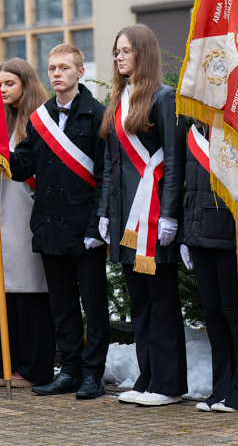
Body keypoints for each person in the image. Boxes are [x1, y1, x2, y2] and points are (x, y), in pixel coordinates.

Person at [9, 44, 109, 400]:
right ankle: (69, 369)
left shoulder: (98, 115)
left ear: (80, 72)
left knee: (94, 306)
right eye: (52, 68)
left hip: (85, 230)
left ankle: (92, 374)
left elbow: (106, 175)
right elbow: (23, 166)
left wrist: (98, 224)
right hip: (51, 226)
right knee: (63, 305)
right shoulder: (39, 119)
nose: (56, 73)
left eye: (64, 67)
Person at [98, 24, 187, 407]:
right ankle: (148, 378)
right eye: (116, 51)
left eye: (125, 51)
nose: (119, 57)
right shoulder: (119, 102)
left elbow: (174, 161)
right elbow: (109, 167)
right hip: (125, 221)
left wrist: (169, 214)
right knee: (140, 303)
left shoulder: (164, 98)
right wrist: (103, 213)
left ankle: (168, 384)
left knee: (162, 302)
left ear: (143, 53)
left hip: (153, 221)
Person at [0, 58, 56, 388]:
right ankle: (5, 363)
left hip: (26, 218)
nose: (3, 89)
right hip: (0, 216)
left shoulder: (40, 122)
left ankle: (33, 368)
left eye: (10, 83)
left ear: (26, 83)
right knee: (3, 296)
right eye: (0, 85)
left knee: (30, 297)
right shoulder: (1, 123)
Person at [180, 121, 238, 413]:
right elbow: (188, 186)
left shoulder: (237, 129)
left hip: (230, 236)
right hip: (199, 235)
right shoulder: (194, 132)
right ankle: (221, 388)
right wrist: (185, 236)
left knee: (234, 315)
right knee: (213, 315)